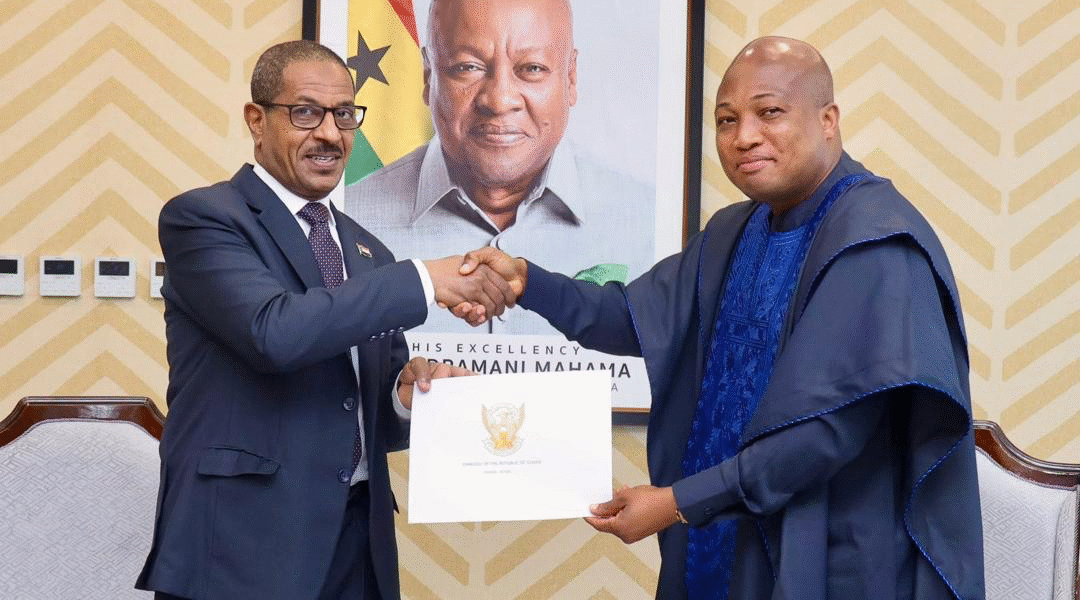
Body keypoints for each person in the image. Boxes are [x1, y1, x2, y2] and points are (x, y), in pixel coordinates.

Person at [457, 37, 985, 599]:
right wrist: (527, 282)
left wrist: (677, 503)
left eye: (769, 112)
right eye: (726, 120)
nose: (744, 136)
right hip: (720, 541)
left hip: (829, 555)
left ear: (828, 120)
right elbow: (631, 319)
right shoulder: (737, 230)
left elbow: (822, 437)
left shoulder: (874, 242)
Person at [135, 40, 516, 600]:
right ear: (256, 120)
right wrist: (424, 279)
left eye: (343, 115)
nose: (330, 134)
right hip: (240, 549)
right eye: (306, 113)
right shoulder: (205, 219)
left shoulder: (368, 251)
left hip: (357, 548)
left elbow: (361, 412)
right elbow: (274, 333)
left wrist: (405, 398)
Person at [344, 0, 655, 334]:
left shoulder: (647, 223)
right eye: (468, 67)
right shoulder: (348, 221)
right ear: (428, 75)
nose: (499, 100)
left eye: (532, 68)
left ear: (571, 77)